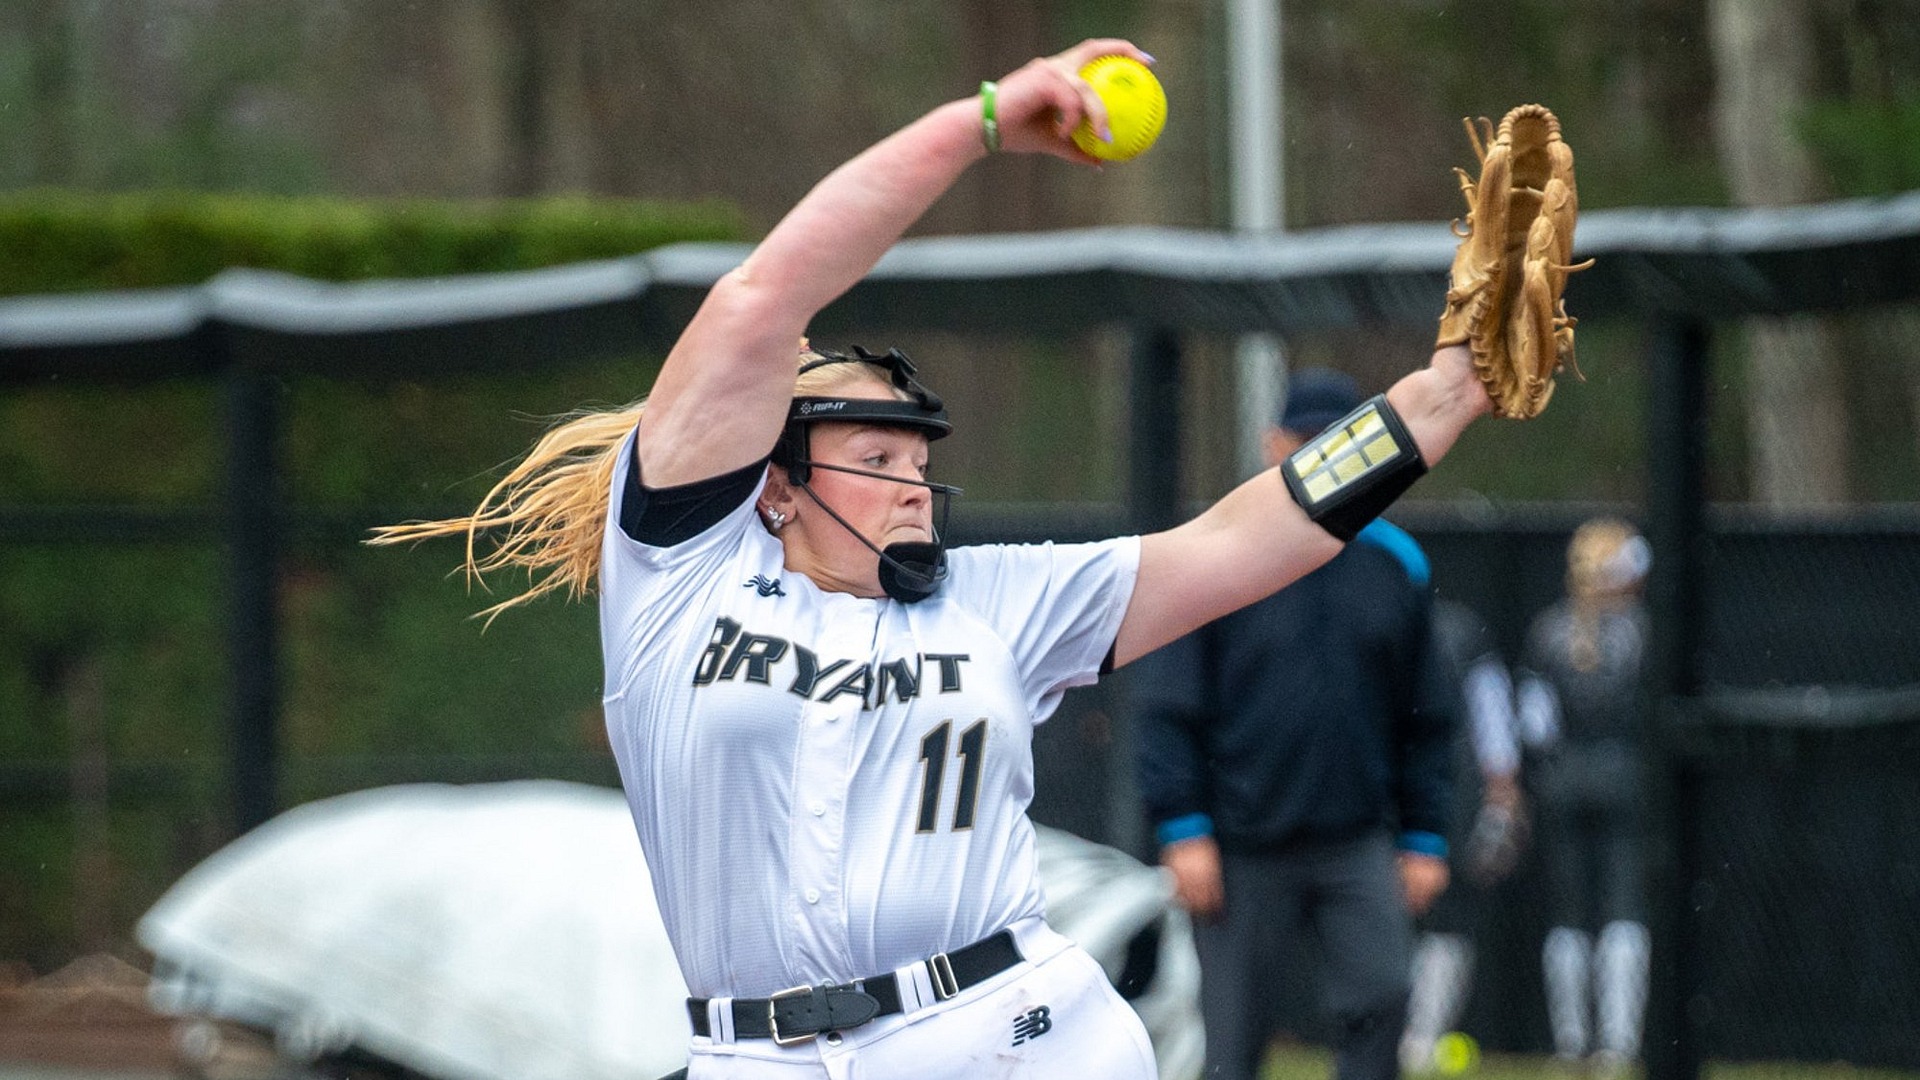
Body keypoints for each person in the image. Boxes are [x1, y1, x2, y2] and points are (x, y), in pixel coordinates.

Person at [375, 41, 1497, 1080]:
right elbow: (768, 295)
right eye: (874, 453)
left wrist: (1432, 403)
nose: (913, 479)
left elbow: (1243, 539)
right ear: (776, 485)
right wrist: (981, 124)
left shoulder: (992, 601)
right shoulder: (678, 582)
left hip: (1015, 1035)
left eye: (919, 456)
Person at [1131, 367, 1462, 1080]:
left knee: (1384, 994)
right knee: (1235, 1038)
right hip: (1241, 843)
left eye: (1338, 440)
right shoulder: (1223, 554)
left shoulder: (1395, 561)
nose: (1320, 454)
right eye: (1306, 440)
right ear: (1272, 443)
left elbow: (1427, 716)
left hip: (1356, 839)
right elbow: (1167, 705)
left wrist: (1425, 836)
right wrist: (1184, 828)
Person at [1514, 519, 1651, 1078]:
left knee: (1568, 913)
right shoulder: (1645, 631)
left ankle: (1571, 1041)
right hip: (1627, 780)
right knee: (1624, 907)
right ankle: (1618, 1042)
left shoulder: (1548, 631)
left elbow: (1533, 724)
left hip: (1562, 783)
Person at [1399, 598, 1526, 1075]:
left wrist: (1501, 797)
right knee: (1430, 916)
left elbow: (1492, 715)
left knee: (1445, 915)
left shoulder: (1459, 633)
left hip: (1443, 788)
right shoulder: (1438, 628)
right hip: (1431, 787)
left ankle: (1421, 1034)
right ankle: (1414, 1034)